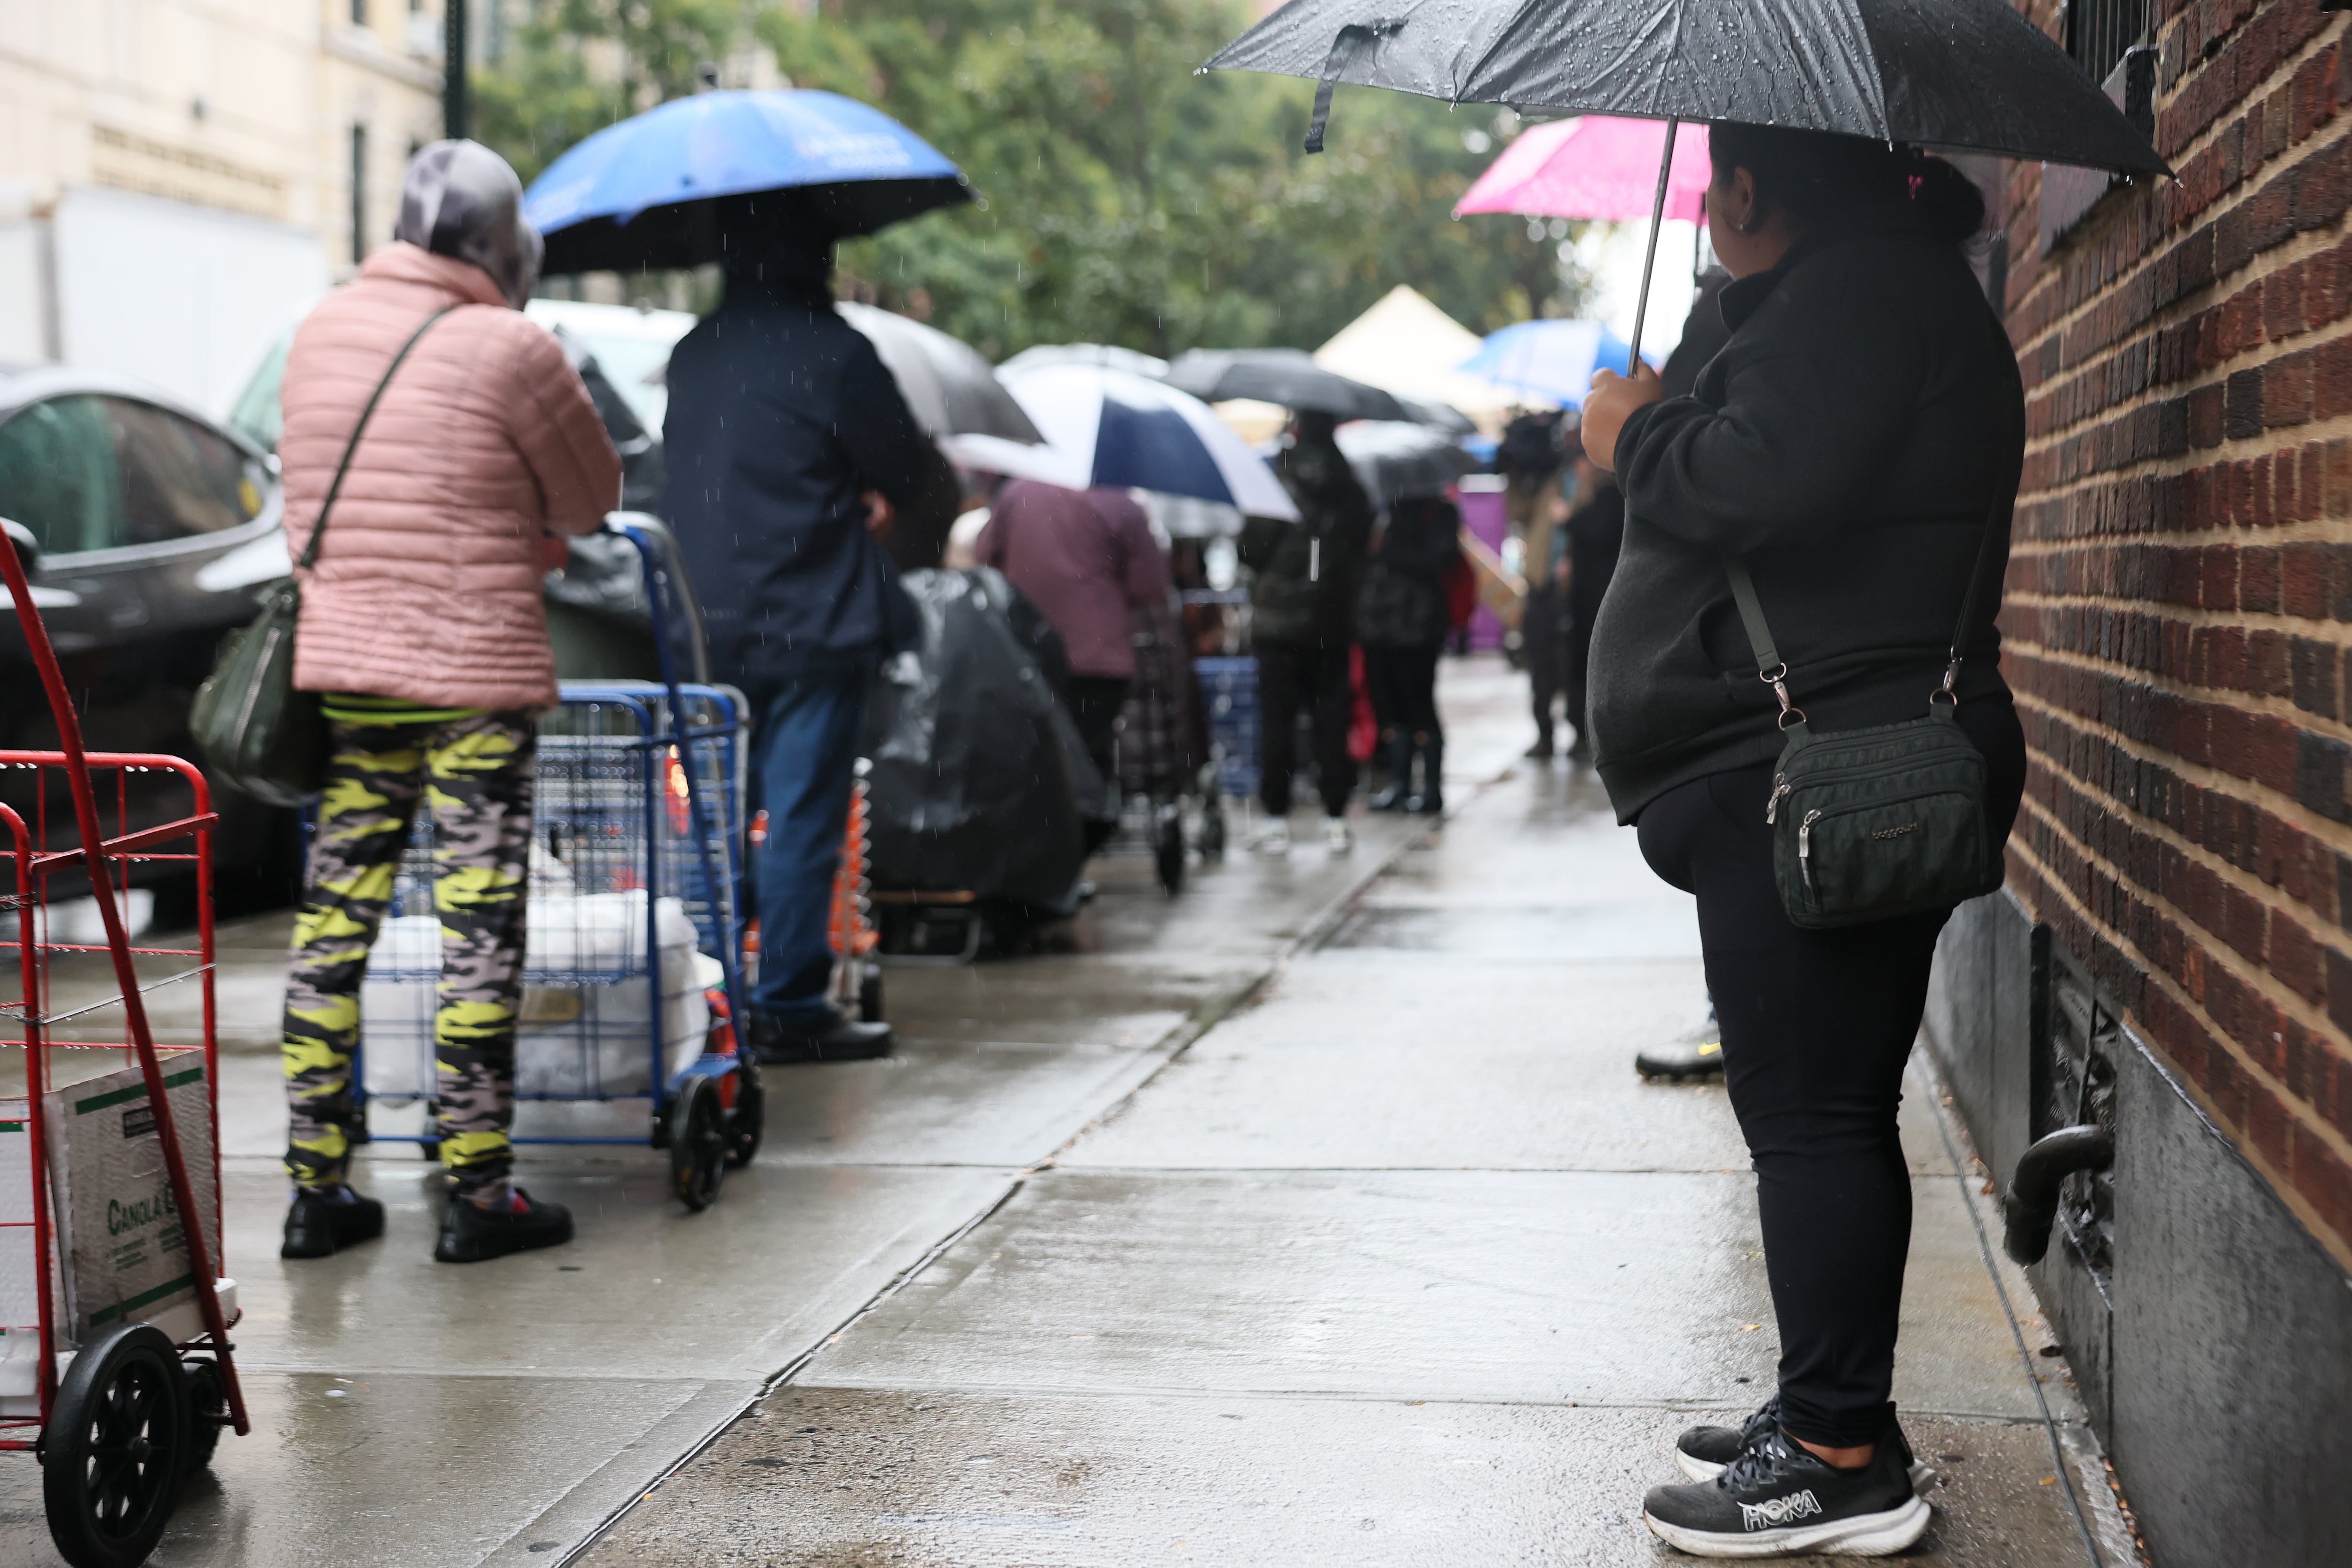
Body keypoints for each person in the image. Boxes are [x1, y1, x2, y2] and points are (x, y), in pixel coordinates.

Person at [1580, 125, 2023, 1557]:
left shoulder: (1866, 293)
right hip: (1817, 765)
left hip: (1828, 770)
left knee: (1814, 1117)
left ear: (1752, 188)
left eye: (1719, 179)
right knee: (1821, 1108)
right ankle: (1828, 1408)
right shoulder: (1850, 292)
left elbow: (1757, 480)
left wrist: (1633, 434)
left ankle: (1838, 1453)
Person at [277, 141, 621, 1265]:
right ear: (499, 243)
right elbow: (590, 496)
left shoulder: (322, 326)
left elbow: (308, 505)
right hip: (472, 684)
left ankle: (316, 1189)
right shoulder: (509, 343)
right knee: (478, 929)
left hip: (355, 678)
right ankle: (476, 1191)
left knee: (335, 925)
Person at [663, 196, 947, 1066]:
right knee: (799, 818)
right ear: (815, 258)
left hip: (703, 626)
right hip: (812, 619)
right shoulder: (834, 351)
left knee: (713, 819)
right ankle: (786, 1000)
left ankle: (701, 986)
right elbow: (913, 470)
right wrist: (890, 519)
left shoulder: (694, 352)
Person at [1630, 269, 1737, 1083]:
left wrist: (1633, 428)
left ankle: (1731, 1013)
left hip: (1740, 680)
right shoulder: (1756, 313)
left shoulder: (1758, 318)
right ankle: (1734, 1009)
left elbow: (1706, 484)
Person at [975, 478, 1171, 797]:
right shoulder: (1120, 502)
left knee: (1035, 757)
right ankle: (1087, 829)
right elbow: (1149, 585)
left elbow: (984, 554)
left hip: (1026, 653)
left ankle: (1047, 830)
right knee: (1090, 756)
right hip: (1098, 655)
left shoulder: (1017, 494)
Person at [1237, 411, 1375, 855]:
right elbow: (1360, 550)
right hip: (1330, 625)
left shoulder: (1276, 481)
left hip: (1277, 627)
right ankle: (1336, 817)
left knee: (1276, 724)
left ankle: (1276, 820)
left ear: (1296, 430)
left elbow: (1250, 550)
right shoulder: (1352, 489)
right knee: (1330, 723)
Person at [1357, 492, 1462, 814]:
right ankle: (1399, 784)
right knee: (1389, 709)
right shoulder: (1381, 511)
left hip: (1418, 625)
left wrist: (1391, 549)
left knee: (1420, 707)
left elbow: (1443, 559)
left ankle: (1432, 789)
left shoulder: (1438, 512)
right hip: (1380, 624)